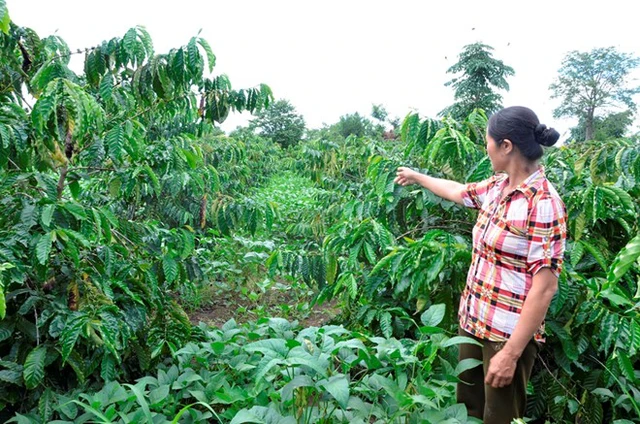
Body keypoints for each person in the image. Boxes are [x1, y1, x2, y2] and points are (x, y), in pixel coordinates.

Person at [394, 106, 567, 424]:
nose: (485, 148)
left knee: (499, 418)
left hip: (506, 334)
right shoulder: (498, 188)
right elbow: (458, 191)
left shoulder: (543, 203)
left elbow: (545, 287)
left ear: (506, 146)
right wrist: (417, 177)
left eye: (488, 141)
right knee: (468, 410)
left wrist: (511, 353)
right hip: (473, 320)